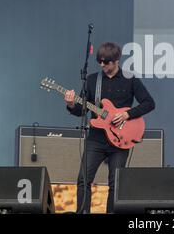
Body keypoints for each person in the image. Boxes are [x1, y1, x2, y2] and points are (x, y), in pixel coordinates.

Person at [64, 42, 155, 213]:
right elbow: (81, 111)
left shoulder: (130, 79)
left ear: (116, 61)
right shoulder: (93, 80)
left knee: (115, 183)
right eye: (100, 62)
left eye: (106, 62)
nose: (102, 65)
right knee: (83, 180)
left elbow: (149, 103)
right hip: (96, 139)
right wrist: (70, 104)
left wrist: (128, 114)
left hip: (120, 141)